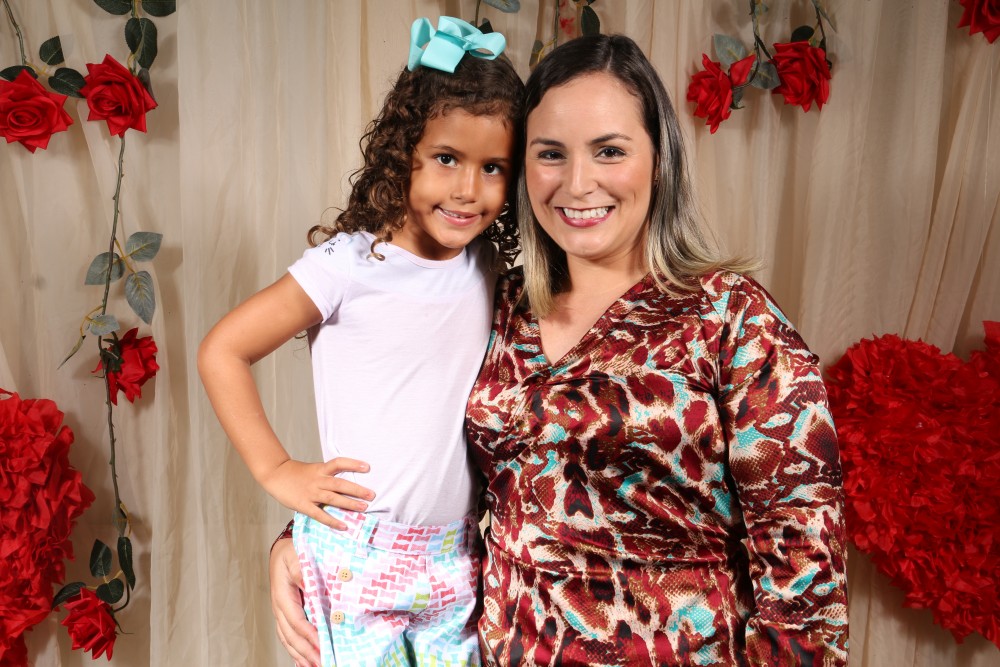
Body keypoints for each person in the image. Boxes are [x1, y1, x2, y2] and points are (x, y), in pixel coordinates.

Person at [271, 33, 849, 666]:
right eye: (551, 154)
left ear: (660, 159)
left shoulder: (731, 317)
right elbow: (409, 443)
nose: (577, 183)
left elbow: (806, 571)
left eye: (609, 151)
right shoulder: (498, 301)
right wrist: (308, 539)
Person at [199, 16, 524, 667]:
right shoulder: (347, 266)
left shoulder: (489, 269)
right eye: (446, 159)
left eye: (492, 168)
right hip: (357, 551)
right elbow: (223, 350)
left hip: (456, 555)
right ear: (402, 151)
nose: (468, 189)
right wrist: (276, 469)